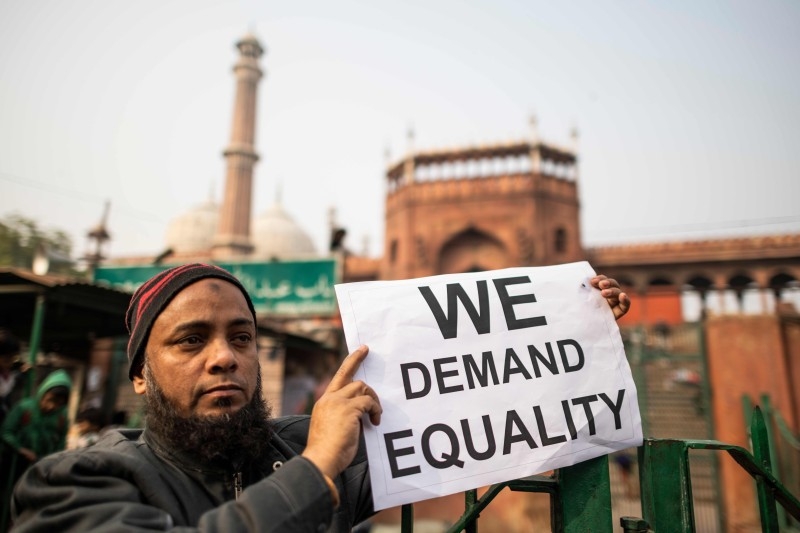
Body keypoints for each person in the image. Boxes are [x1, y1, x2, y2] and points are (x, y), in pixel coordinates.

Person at [9, 264, 630, 532]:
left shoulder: (292, 447)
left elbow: (467, 404)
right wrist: (316, 470)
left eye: (240, 337)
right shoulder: (78, 482)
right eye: (190, 340)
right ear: (140, 374)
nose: (223, 356)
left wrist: (571, 325)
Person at [1, 369, 72, 531]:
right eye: (50, 400)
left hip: (40, 466)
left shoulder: (61, 417)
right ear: (43, 392)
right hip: (13, 465)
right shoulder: (24, 408)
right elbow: (6, 432)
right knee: (6, 502)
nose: (51, 406)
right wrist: (20, 449)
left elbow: (60, 443)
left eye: (58, 403)